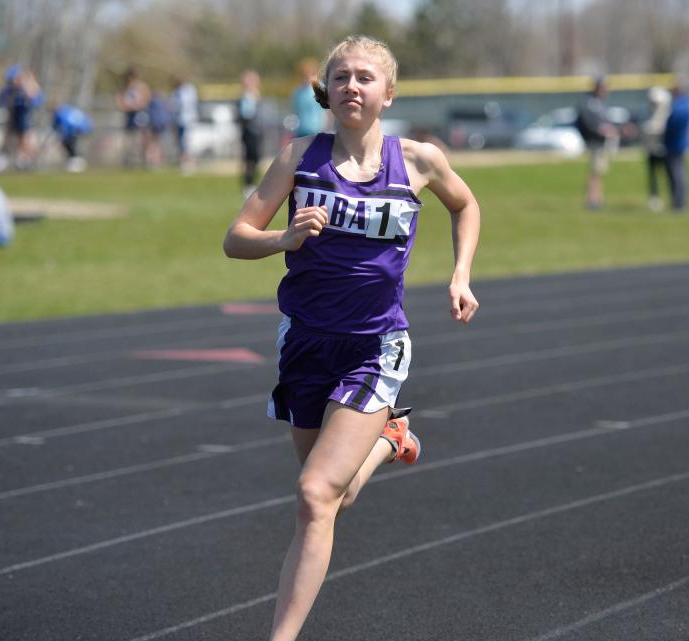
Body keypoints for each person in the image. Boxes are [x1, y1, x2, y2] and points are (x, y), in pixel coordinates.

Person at [222, 35, 480, 641]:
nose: (352, 86)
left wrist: (460, 273)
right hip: (307, 343)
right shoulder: (296, 159)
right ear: (326, 91)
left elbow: (465, 206)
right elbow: (236, 238)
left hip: (375, 344)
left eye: (365, 77)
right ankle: (390, 437)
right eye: (341, 77)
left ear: (388, 93)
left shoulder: (418, 161)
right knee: (329, 497)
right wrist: (283, 240)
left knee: (314, 494)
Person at [575, 76, 618, 210]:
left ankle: (598, 199)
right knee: (595, 172)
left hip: (603, 143)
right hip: (595, 142)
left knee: (600, 172)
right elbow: (587, 123)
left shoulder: (600, 103)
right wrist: (600, 131)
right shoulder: (589, 103)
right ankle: (592, 201)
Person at [0, 65, 44, 171]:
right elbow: (1, 101)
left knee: (25, 138)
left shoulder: (27, 86)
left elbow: (35, 99)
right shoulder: (9, 89)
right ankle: (3, 159)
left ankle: (25, 160)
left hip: (24, 115)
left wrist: (28, 84)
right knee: (9, 137)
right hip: (13, 114)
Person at [662, 83, 689, 212]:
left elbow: (673, 124)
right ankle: (679, 202)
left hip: (675, 144)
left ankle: (679, 203)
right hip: (677, 144)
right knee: (678, 174)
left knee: (677, 175)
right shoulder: (684, 104)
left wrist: (665, 134)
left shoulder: (680, 106)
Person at [643, 86, 671, 212]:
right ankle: (654, 198)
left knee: (668, 175)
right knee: (653, 177)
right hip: (652, 151)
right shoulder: (650, 115)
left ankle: (672, 198)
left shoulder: (665, 115)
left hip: (663, 150)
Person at [115, 67, 151, 167]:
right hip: (129, 115)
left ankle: (145, 161)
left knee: (143, 137)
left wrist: (137, 105)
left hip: (140, 115)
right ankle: (128, 161)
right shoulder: (124, 88)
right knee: (129, 139)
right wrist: (128, 106)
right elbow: (120, 102)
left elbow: (146, 99)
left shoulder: (141, 87)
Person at [237, 70, 264, 196]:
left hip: (257, 131)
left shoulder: (256, 95)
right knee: (249, 159)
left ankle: (254, 182)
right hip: (249, 132)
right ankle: (248, 184)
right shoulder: (245, 97)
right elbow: (245, 115)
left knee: (257, 158)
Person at [51, 103, 93, 172]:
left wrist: (60, 136)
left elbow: (66, 127)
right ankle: (74, 159)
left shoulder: (62, 114)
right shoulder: (66, 109)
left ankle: (76, 161)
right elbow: (56, 126)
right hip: (81, 128)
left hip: (80, 128)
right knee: (68, 143)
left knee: (69, 143)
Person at [291, 58, 327, 137]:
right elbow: (295, 112)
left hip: (318, 131)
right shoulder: (298, 92)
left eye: (311, 74)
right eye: (305, 75)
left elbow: (326, 111)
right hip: (301, 130)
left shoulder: (320, 89)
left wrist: (326, 129)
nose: (307, 78)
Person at [169, 75, 199, 172]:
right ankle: (183, 162)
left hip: (188, 121)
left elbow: (184, 104)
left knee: (187, 143)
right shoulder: (176, 92)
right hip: (180, 121)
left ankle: (189, 163)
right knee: (181, 143)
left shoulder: (188, 90)